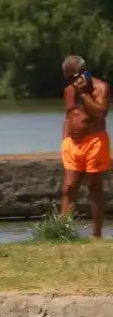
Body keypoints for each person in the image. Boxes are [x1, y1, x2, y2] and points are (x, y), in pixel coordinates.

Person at [62, 55, 110, 237]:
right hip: (72, 144)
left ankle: (96, 234)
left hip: (94, 142)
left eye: (72, 77)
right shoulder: (68, 90)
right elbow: (68, 115)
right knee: (68, 187)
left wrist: (83, 95)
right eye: (67, 78)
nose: (70, 81)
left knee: (95, 187)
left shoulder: (101, 88)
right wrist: (65, 141)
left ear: (84, 72)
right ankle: (63, 231)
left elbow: (101, 113)